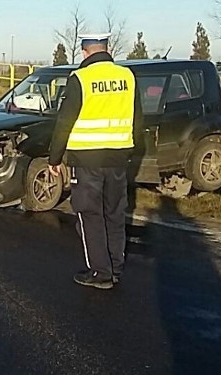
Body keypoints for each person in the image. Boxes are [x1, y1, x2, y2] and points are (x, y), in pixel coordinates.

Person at [48, 33, 142, 290]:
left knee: (90, 214)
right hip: (119, 156)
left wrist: (54, 158)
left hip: (87, 158)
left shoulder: (80, 78)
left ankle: (100, 272)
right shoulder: (127, 77)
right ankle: (115, 266)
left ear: (84, 52)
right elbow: (137, 118)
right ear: (107, 48)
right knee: (114, 212)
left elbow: (64, 122)